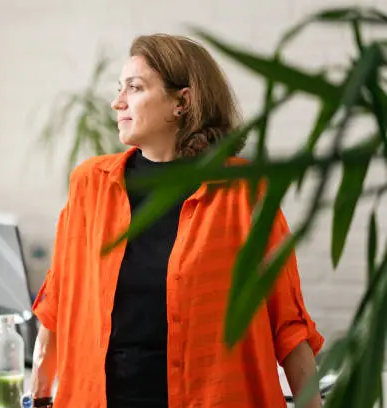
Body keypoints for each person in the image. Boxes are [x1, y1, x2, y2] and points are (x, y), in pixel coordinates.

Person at [26, 33, 324, 408]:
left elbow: (289, 325)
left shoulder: (243, 192)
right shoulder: (91, 184)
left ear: (182, 101)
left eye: (134, 88)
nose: (118, 102)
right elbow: (56, 305)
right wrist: (35, 398)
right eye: (120, 89)